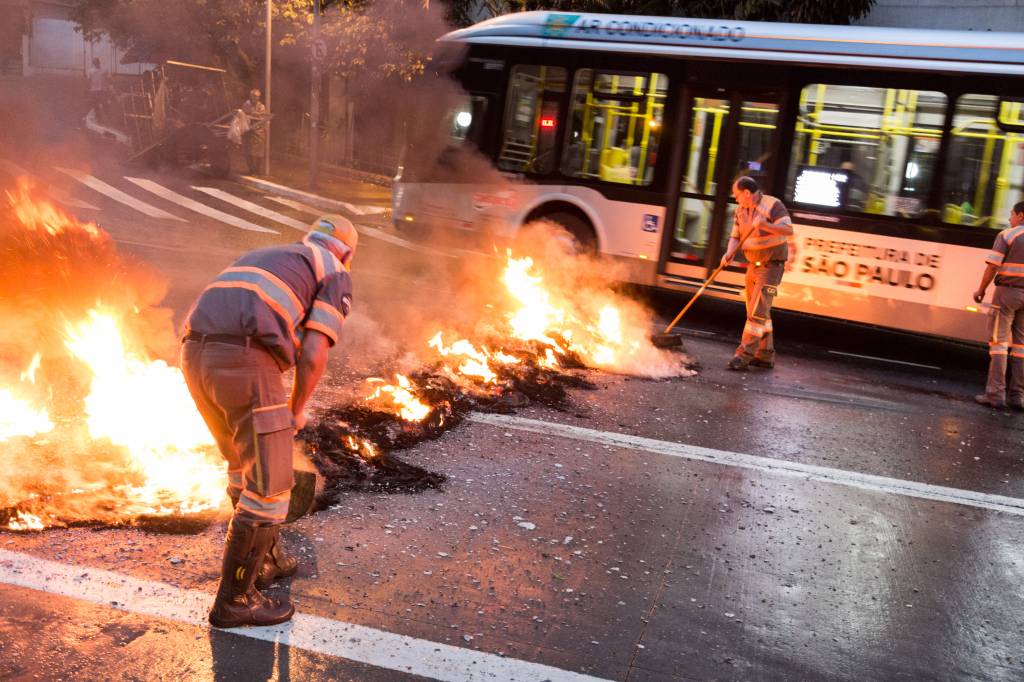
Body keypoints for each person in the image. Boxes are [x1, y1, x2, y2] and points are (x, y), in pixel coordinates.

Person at [181, 215, 357, 628]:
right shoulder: (334, 271)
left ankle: (269, 560)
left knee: (244, 465)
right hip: (246, 360)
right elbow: (314, 354)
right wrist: (295, 409)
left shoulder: (269, 254)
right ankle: (235, 601)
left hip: (194, 357)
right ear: (347, 254)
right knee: (272, 487)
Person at [721, 176, 794, 371]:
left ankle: (743, 355)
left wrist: (765, 226)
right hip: (753, 265)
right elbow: (735, 236)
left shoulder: (772, 204)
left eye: (737, 196)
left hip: (771, 266)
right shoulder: (741, 210)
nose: (736, 200)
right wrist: (729, 253)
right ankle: (765, 354)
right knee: (760, 313)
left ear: (746, 193)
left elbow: (788, 230)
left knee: (756, 313)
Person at [972, 201, 1024, 410]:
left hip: (1007, 295)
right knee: (1021, 347)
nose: (1009, 218)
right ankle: (1018, 396)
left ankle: (995, 394)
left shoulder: (1007, 235)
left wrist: (981, 289)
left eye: (1011, 214)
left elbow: (992, 267)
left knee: (999, 343)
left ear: (1021, 215)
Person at [241, 89, 267, 174]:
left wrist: (254, 115)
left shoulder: (261, 106)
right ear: (251, 96)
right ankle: (251, 169)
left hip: (258, 132)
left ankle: (258, 170)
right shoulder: (246, 105)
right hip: (248, 131)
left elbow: (262, 117)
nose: (257, 98)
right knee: (248, 152)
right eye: (255, 96)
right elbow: (242, 116)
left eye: (258, 96)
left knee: (259, 152)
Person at [87, 58, 110, 123]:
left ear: (99, 62)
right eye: (94, 62)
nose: (96, 63)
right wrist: (88, 89)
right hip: (93, 90)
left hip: (102, 89)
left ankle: (107, 116)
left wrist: (109, 87)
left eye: (97, 62)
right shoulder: (90, 71)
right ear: (93, 63)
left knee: (105, 103)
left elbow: (108, 79)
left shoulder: (104, 70)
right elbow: (88, 80)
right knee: (95, 104)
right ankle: (98, 117)